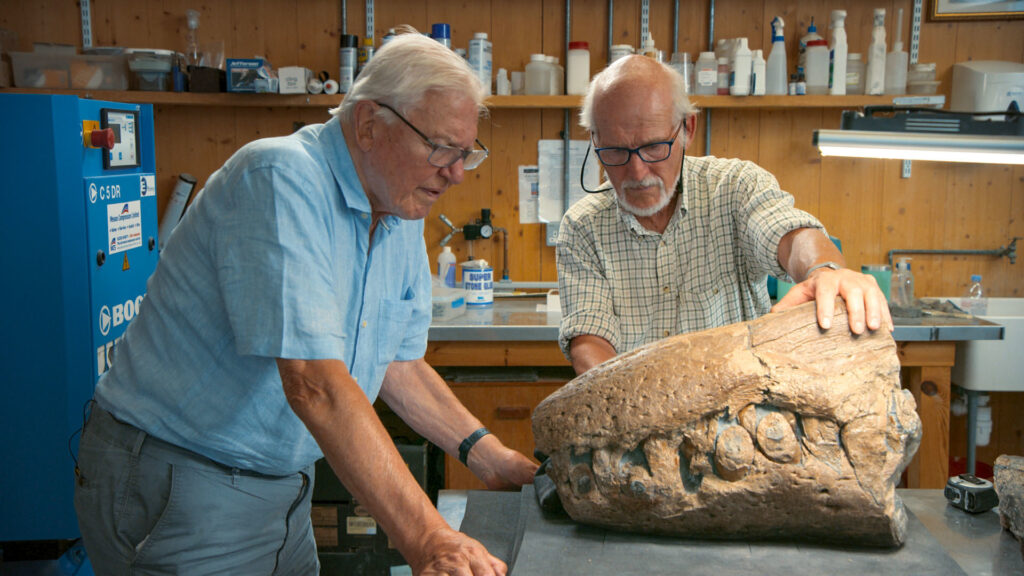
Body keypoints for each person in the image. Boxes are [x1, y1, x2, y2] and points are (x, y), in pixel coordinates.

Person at [74, 30, 536, 576]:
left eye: (466, 153)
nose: (456, 173)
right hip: (181, 480)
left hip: (283, 490)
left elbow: (396, 362)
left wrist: (490, 457)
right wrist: (430, 538)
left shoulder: (398, 205)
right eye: (441, 149)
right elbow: (313, 382)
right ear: (369, 124)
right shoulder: (280, 178)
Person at [557, 55, 892, 375]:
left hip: (742, 416)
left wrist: (823, 269)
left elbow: (790, 235)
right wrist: (632, 403)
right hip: (634, 416)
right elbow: (589, 339)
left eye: (653, 147)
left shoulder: (735, 188)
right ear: (595, 140)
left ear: (687, 128)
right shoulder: (582, 226)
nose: (637, 171)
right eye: (615, 151)